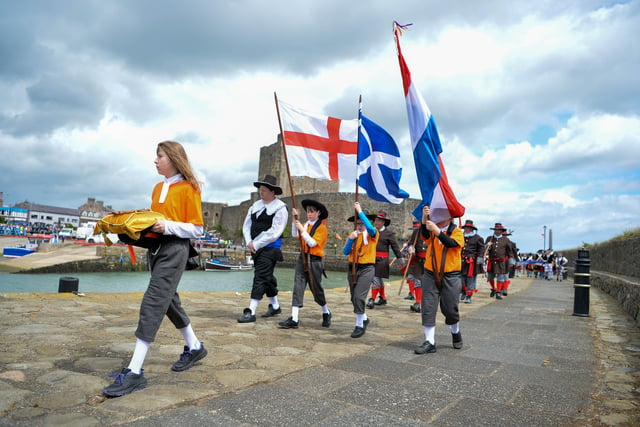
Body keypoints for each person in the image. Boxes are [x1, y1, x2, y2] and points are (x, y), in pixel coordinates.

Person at [103, 140, 207, 397]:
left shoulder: (189, 188)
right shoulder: (157, 187)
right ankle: (194, 347)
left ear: (173, 158)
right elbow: (153, 220)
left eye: (159, 156)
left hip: (175, 250)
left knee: (153, 300)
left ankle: (135, 371)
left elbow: (197, 228)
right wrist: (127, 223)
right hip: (157, 249)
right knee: (168, 299)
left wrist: (168, 226)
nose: (155, 160)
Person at [237, 175, 288, 323]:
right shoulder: (255, 206)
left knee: (260, 276)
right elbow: (247, 225)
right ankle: (275, 306)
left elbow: (275, 232)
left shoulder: (280, 208)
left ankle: (251, 311)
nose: (261, 192)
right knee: (267, 277)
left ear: (273, 192)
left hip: (270, 249)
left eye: (265, 190)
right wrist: (249, 242)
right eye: (261, 190)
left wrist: (257, 243)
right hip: (255, 247)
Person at [414, 205, 465, 354]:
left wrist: (437, 231)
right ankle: (430, 341)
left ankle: (455, 332)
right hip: (430, 273)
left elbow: (451, 244)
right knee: (428, 306)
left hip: (451, 275)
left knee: (450, 309)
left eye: (441, 216)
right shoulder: (432, 231)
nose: (437, 218)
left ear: (449, 218)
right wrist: (424, 218)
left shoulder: (457, 232)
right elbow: (424, 233)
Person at [279, 199, 332, 329]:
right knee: (298, 286)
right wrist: (294, 220)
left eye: (312, 211)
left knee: (316, 288)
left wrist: (301, 229)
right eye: (308, 211)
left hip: (314, 260)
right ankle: (294, 318)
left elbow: (312, 243)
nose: (309, 214)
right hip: (302, 258)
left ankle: (326, 311)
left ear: (318, 213)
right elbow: (294, 234)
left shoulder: (322, 229)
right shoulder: (305, 225)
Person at [343, 201, 378, 338]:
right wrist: (351, 239)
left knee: (359, 296)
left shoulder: (372, 235)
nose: (360, 226)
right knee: (353, 297)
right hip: (353, 267)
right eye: (358, 224)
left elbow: (370, 229)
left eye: (362, 223)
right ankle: (363, 317)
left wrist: (360, 211)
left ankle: (359, 325)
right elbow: (345, 251)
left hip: (367, 268)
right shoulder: (353, 235)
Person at [367, 211, 403, 309]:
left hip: (382, 260)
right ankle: (383, 297)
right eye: (375, 220)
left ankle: (372, 299)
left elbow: (395, 246)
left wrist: (399, 258)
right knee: (377, 278)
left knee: (375, 278)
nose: (376, 222)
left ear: (383, 222)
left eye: (379, 220)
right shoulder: (371, 232)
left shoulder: (389, 233)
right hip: (371, 258)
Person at [484, 223, 517, 299]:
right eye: (496, 229)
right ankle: (494, 289)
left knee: (501, 278)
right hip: (491, 261)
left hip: (501, 262)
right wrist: (487, 245)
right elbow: (484, 249)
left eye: (499, 230)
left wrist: (511, 260)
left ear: (502, 231)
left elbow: (510, 251)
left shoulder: (506, 240)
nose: (497, 231)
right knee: (490, 277)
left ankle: (498, 292)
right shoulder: (489, 238)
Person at [400, 220, 427, 312]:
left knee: (428, 283)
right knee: (418, 281)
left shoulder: (433, 231)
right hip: (418, 261)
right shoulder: (416, 232)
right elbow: (411, 243)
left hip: (430, 262)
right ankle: (418, 302)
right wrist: (411, 248)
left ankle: (425, 303)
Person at [460, 220, 485, 304]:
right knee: (461, 279)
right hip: (460, 261)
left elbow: (482, 249)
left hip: (471, 262)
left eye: (468, 228)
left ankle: (469, 296)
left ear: (472, 228)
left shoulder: (478, 238)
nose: (466, 229)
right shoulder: (460, 236)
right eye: (466, 227)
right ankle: (463, 292)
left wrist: (479, 259)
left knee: (470, 280)